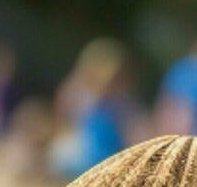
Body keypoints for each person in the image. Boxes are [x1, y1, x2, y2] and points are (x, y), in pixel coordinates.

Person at [53, 38, 140, 178]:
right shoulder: (81, 94)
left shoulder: (123, 104)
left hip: (107, 158)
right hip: (84, 155)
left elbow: (132, 134)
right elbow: (63, 118)